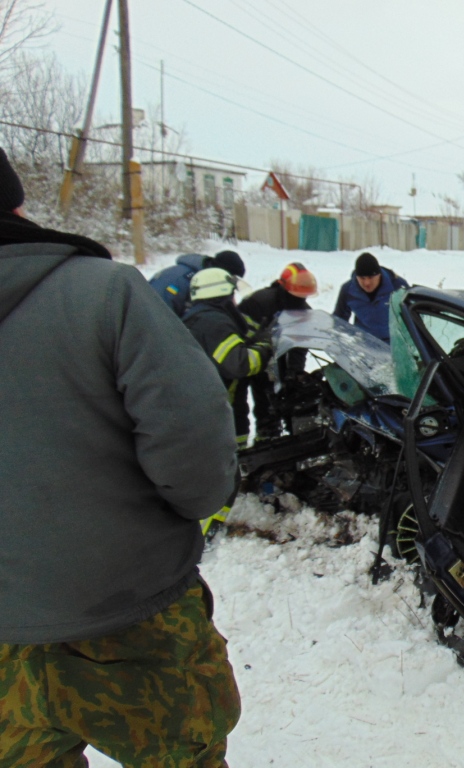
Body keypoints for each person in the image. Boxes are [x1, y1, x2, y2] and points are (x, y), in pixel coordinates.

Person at [0, 148, 242, 765]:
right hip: (131, 615)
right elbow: (193, 444)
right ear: (16, 204)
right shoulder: (103, 293)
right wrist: (193, 507)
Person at [184, 267, 273, 448]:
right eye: (232, 295)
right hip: (214, 413)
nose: (234, 300)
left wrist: (254, 337)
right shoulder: (214, 324)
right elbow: (240, 364)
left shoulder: (202, 317)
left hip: (208, 406)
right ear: (220, 295)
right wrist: (266, 347)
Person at [238, 262, 318, 440]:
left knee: (285, 398)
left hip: (278, 358)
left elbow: (299, 346)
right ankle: (263, 438)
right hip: (248, 358)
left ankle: (280, 438)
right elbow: (240, 334)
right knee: (254, 402)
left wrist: (294, 372)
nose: (300, 300)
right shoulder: (259, 302)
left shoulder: (303, 311)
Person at [332, 251, 409, 342]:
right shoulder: (348, 290)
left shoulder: (398, 287)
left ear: (379, 275)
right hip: (364, 345)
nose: (366, 283)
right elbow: (339, 322)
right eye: (362, 278)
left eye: (370, 278)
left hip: (393, 345)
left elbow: (411, 320)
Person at [149, 248, 246, 317]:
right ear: (222, 272)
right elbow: (158, 315)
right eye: (230, 279)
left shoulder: (206, 277)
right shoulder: (181, 281)